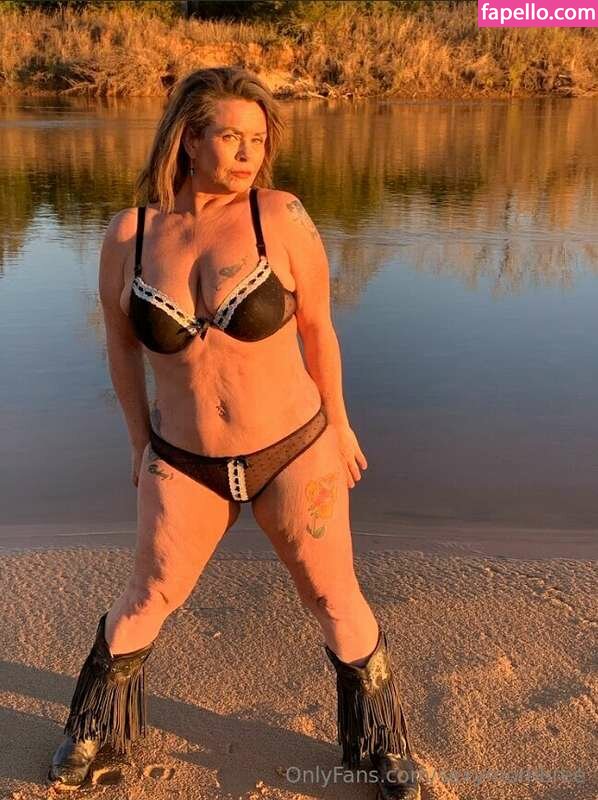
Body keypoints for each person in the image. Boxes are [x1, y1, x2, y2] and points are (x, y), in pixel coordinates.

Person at [47, 66, 421, 799]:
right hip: (184, 459)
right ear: (189, 139)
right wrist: (138, 442)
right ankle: (93, 725)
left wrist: (341, 425)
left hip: (294, 449)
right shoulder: (130, 234)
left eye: (259, 138)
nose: (250, 152)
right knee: (149, 595)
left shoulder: (279, 217)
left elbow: (318, 329)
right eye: (231, 136)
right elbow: (121, 348)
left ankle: (382, 741)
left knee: (332, 596)